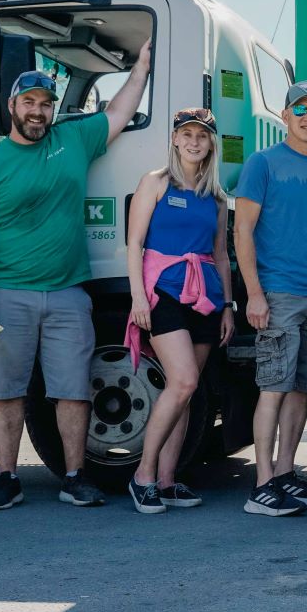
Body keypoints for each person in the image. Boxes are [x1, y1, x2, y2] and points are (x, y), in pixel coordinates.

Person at [0, 46, 151, 511]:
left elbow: (122, 109)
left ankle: (74, 476)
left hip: (68, 294)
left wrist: (142, 66)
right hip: (6, 294)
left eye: (46, 103)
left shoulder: (74, 141)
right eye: (30, 102)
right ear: (13, 107)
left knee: (72, 390)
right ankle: (6, 477)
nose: (38, 111)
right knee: (7, 391)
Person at [236, 79, 307, 516]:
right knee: (273, 388)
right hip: (277, 295)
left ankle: (284, 474)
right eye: (299, 109)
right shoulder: (262, 164)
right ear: (285, 116)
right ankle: (261, 485)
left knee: (303, 390)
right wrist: (254, 294)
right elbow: (242, 230)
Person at [122, 107, 235, 515]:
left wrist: (226, 306)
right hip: (162, 293)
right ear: (174, 138)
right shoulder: (154, 182)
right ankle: (143, 476)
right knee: (183, 381)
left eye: (202, 136)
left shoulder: (217, 198)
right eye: (186, 134)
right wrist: (138, 297)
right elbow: (134, 243)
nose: (193, 141)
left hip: (203, 294)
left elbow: (220, 255)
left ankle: (168, 482)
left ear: (211, 144)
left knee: (185, 391)